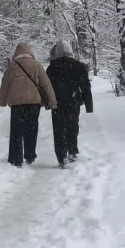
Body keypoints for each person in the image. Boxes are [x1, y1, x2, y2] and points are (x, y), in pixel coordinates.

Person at [0, 42, 57, 167]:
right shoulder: (36, 65)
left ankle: (15, 158)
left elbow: (4, 85)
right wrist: (52, 101)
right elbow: (46, 84)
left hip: (17, 104)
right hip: (33, 104)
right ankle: (30, 155)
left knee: (16, 131)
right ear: (30, 52)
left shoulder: (12, 66)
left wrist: (2, 101)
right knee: (32, 129)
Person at [46, 40, 93, 168]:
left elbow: (46, 87)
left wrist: (46, 102)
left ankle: (61, 156)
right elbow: (85, 87)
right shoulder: (79, 66)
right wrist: (88, 105)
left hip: (57, 103)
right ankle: (72, 151)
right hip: (73, 102)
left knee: (59, 128)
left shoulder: (52, 67)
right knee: (73, 125)